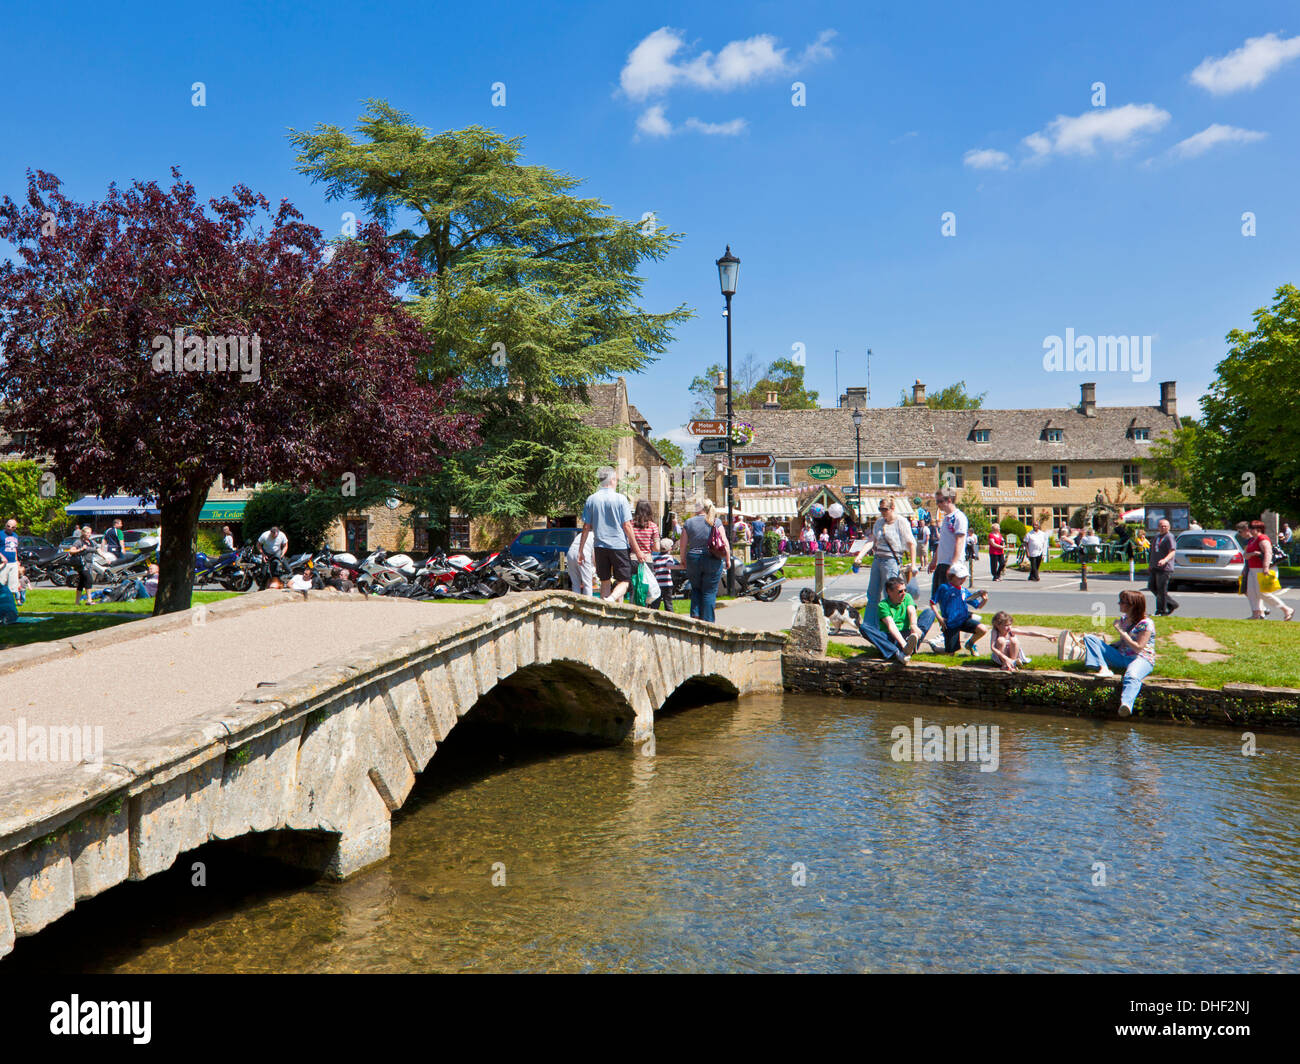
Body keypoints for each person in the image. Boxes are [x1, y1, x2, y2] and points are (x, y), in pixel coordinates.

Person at [1082, 589, 1156, 717]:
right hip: (1121, 656)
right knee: (1090, 638)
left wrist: (1121, 631)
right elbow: (1122, 642)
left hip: (1140, 658)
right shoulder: (1124, 619)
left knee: (1131, 675)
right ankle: (1103, 668)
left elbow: (1138, 648)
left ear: (1132, 605)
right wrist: (1105, 647)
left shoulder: (1146, 623)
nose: (1119, 604)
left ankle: (1126, 704)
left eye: (1122, 602)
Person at [580, 468, 649, 603]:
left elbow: (586, 527)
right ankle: (611, 599)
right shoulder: (620, 499)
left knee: (605, 581)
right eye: (616, 479)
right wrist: (638, 551)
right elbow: (627, 526)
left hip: (599, 546)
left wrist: (580, 550)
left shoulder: (591, 499)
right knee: (624, 581)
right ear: (612, 480)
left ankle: (604, 612)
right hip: (618, 546)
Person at [853, 496, 916, 632]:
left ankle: (892, 626)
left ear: (892, 508)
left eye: (885, 509)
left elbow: (911, 543)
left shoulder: (901, 522)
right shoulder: (879, 522)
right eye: (880, 509)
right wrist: (860, 556)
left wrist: (914, 563)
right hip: (878, 559)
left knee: (891, 594)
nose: (882, 512)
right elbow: (872, 540)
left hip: (891, 561)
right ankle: (869, 626)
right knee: (873, 594)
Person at [681, 497, 729, 622]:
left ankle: (695, 617)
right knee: (709, 591)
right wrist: (728, 559)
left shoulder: (689, 522)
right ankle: (708, 622)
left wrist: (683, 560)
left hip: (693, 558)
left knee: (696, 588)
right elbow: (724, 542)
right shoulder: (715, 521)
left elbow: (683, 544)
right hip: (712, 558)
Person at [859, 575, 923, 663]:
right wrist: (904, 645)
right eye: (900, 591)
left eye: (905, 590)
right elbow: (891, 625)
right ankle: (897, 653)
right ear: (889, 592)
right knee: (864, 628)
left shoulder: (907, 597)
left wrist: (913, 626)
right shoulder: (883, 605)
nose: (904, 593)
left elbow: (912, 611)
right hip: (892, 636)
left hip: (908, 634)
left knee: (929, 613)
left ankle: (912, 644)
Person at [928, 563, 989, 655]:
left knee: (983, 629)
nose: (963, 580)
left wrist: (984, 600)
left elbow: (978, 606)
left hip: (964, 620)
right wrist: (939, 618)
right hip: (950, 623)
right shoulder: (944, 588)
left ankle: (970, 643)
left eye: (964, 577)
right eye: (960, 578)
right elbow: (932, 603)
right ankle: (935, 647)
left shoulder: (964, 591)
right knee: (951, 653)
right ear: (951, 576)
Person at [1244, 519, 1294, 621]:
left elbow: (1268, 553)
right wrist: (1252, 554)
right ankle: (1256, 613)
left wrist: (1265, 567)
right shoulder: (1252, 540)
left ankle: (1286, 609)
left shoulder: (1263, 538)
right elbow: (1245, 554)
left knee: (1263, 593)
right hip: (1252, 569)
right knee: (1251, 592)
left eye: (1252, 528)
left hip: (1261, 569)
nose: (1249, 530)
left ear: (1258, 529)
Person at [927, 487, 968, 600]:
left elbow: (959, 542)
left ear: (949, 500)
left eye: (940, 501)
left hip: (952, 564)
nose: (938, 504)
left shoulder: (959, 517)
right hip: (942, 563)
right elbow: (942, 542)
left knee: (950, 598)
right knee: (936, 597)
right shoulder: (946, 518)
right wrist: (934, 560)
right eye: (937, 501)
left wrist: (953, 565)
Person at [1147, 518, 1179, 616]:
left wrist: (1165, 560)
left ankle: (1161, 610)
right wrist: (1150, 564)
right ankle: (1172, 603)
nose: (1163, 528)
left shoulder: (1169, 537)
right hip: (1155, 567)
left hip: (1164, 568)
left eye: (1165, 526)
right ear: (1158, 527)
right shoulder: (1157, 536)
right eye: (1161, 526)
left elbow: (1172, 551)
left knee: (1161, 589)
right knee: (1152, 586)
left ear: (1169, 527)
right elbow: (1153, 551)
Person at [68, 525, 97, 605]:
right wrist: (81, 549)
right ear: (83, 533)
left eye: (90, 533)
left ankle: (77, 602)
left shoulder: (91, 542)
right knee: (89, 579)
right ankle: (89, 600)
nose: (89, 534)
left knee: (81, 582)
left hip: (89, 564)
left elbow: (97, 550)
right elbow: (71, 551)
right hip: (81, 565)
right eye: (87, 533)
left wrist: (105, 557)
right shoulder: (79, 542)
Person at [565, 526, 596, 596]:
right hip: (583, 553)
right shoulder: (594, 536)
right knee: (587, 584)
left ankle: (576, 604)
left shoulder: (581, 534)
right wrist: (595, 567)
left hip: (570, 553)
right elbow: (594, 555)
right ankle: (588, 604)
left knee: (575, 583)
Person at [651, 537, 676, 612]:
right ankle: (671, 618)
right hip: (667, 584)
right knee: (668, 603)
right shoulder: (669, 557)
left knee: (655, 604)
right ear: (669, 549)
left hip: (657, 584)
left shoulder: (655, 557)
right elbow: (669, 565)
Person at [1, 518, 20, 604]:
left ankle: (10, 602)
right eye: (8, 526)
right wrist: (2, 557)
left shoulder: (15, 536)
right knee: (1, 583)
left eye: (12, 527)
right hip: (3, 563)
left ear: (15, 528)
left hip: (13, 563)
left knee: (13, 585)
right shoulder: (1, 534)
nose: (9, 528)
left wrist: (16, 560)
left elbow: (15, 549)